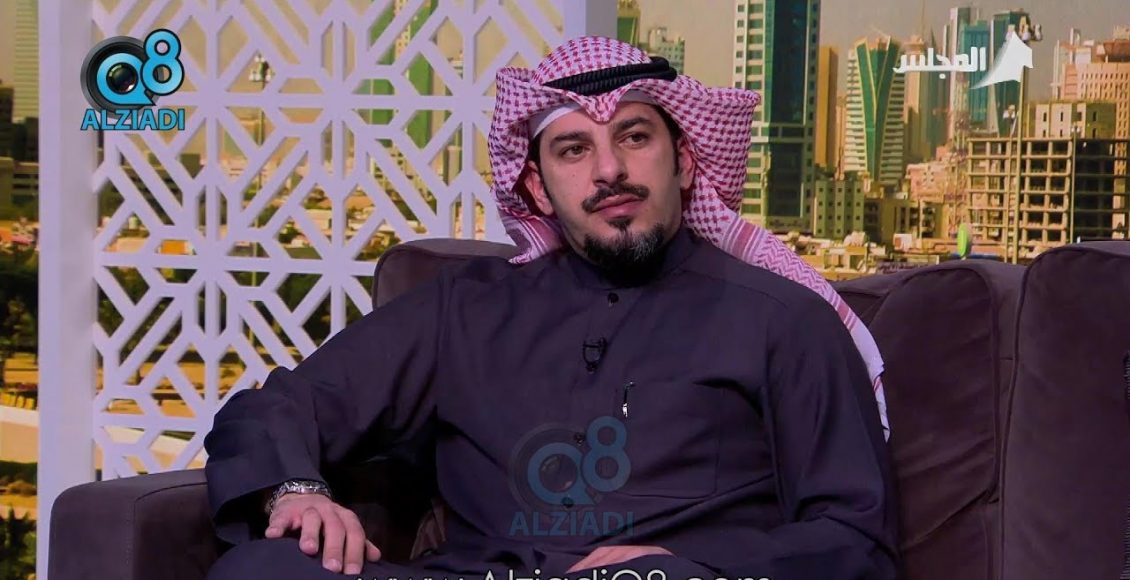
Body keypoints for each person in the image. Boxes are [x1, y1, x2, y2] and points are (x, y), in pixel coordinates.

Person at [204, 36, 898, 580]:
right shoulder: (464, 308)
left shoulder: (784, 320)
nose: (609, 171)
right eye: (573, 149)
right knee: (262, 570)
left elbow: (853, 541)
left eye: (634, 137)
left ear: (684, 161)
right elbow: (282, 405)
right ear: (537, 187)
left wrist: (679, 566)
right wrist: (296, 492)